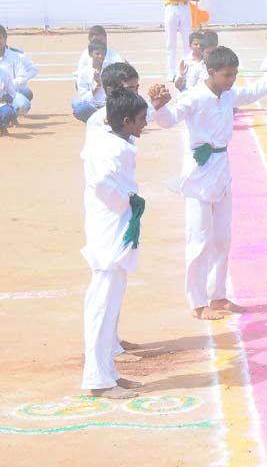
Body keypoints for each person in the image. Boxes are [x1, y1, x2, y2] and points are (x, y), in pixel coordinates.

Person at [148, 47, 267, 320]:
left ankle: (217, 296)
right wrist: (160, 108)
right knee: (199, 239)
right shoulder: (194, 96)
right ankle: (197, 302)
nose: (231, 80)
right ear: (211, 72)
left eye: (234, 75)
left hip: (222, 168)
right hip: (198, 171)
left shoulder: (229, 95)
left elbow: (253, 91)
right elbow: (169, 120)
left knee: (221, 239)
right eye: (227, 75)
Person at [80, 87, 149, 399]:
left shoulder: (114, 140)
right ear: (125, 120)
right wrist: (128, 201)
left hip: (113, 229)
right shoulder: (113, 149)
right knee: (103, 305)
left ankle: (108, 371)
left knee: (110, 304)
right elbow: (100, 184)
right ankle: (97, 379)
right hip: (108, 231)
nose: (144, 124)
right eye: (140, 119)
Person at [86, 63, 143, 133]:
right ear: (110, 91)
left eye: (136, 88)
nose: (135, 94)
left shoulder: (134, 108)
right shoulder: (98, 122)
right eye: (129, 89)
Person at [0, 25, 38, 117]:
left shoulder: (16, 56)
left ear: (5, 40)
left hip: (12, 92)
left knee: (22, 106)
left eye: (0, 38)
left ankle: (11, 115)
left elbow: (26, 74)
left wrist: (6, 87)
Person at [72, 41, 109, 123]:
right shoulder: (84, 73)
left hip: (108, 106)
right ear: (90, 54)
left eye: (103, 54)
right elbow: (83, 97)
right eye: (97, 54)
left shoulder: (110, 69)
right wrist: (98, 85)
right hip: (93, 107)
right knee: (78, 109)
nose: (101, 56)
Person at [0, 64, 15, 135]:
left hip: (1, 104)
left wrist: (5, 97)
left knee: (8, 112)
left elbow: (12, 94)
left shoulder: (4, 74)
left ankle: (2, 126)